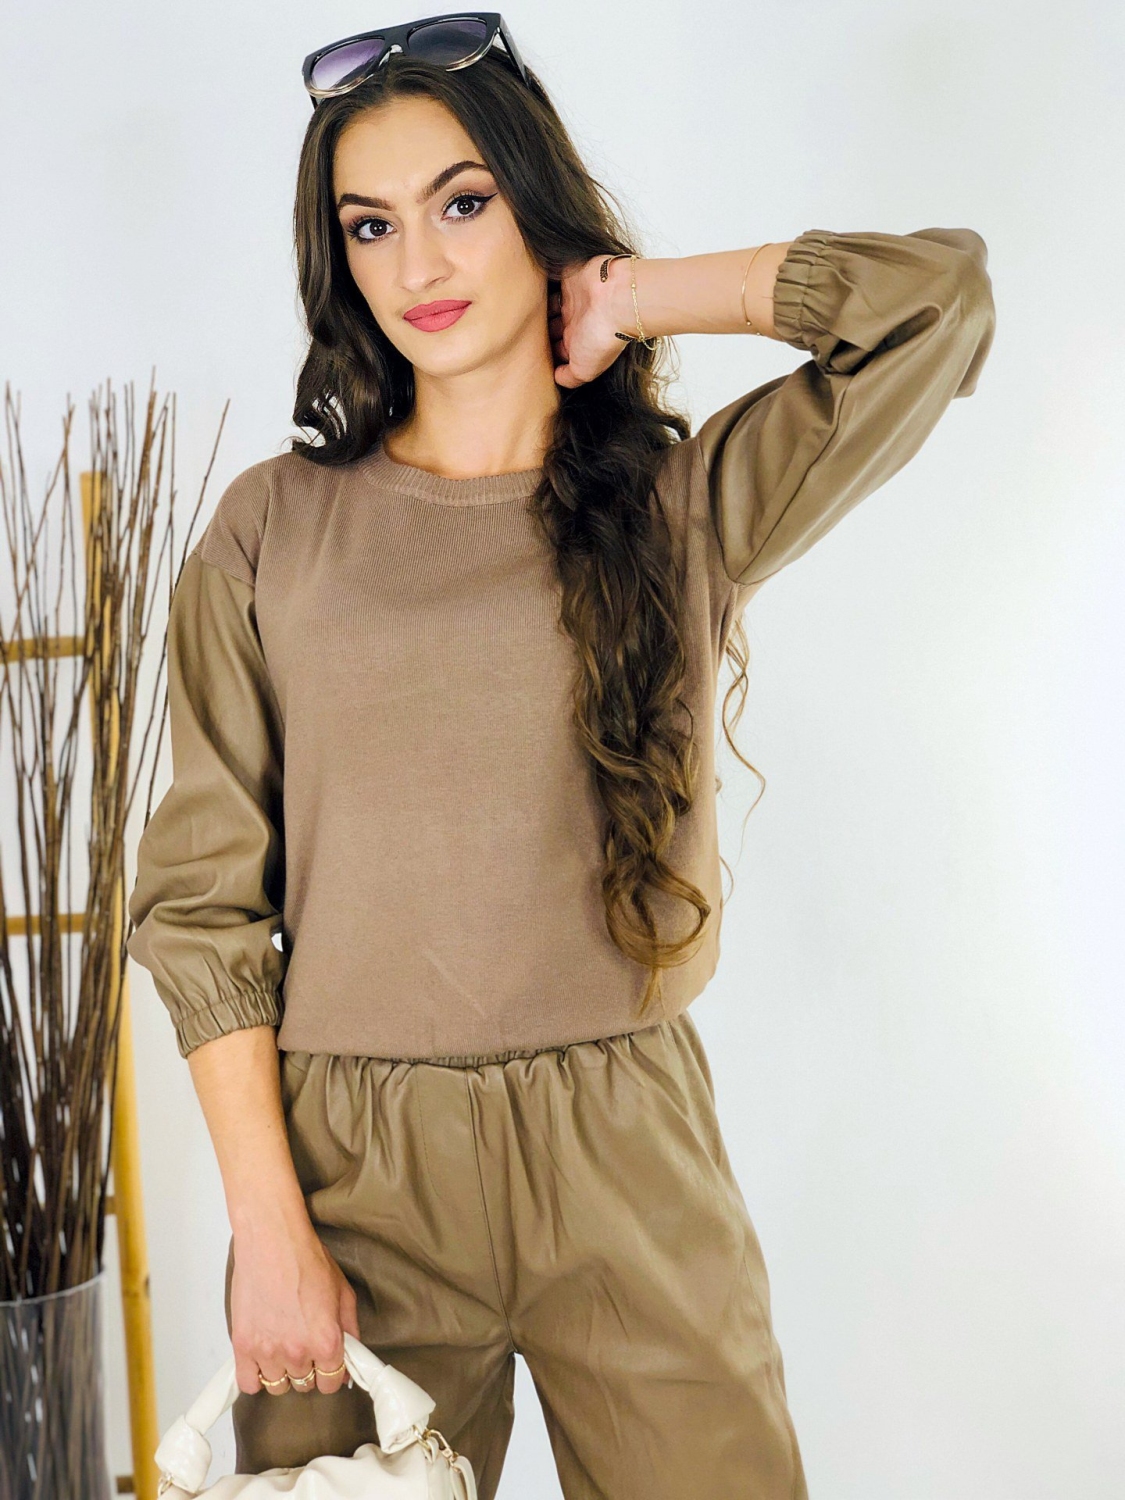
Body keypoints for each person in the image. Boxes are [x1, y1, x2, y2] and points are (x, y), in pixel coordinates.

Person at [126, 14, 996, 1499]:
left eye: (464, 202)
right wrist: (267, 1230)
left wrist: (636, 294)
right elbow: (202, 906)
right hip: (353, 1182)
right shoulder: (273, 531)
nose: (419, 262)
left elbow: (940, 305)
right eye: (371, 226)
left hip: (626, 1152)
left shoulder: (678, 508)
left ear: (535, 207)